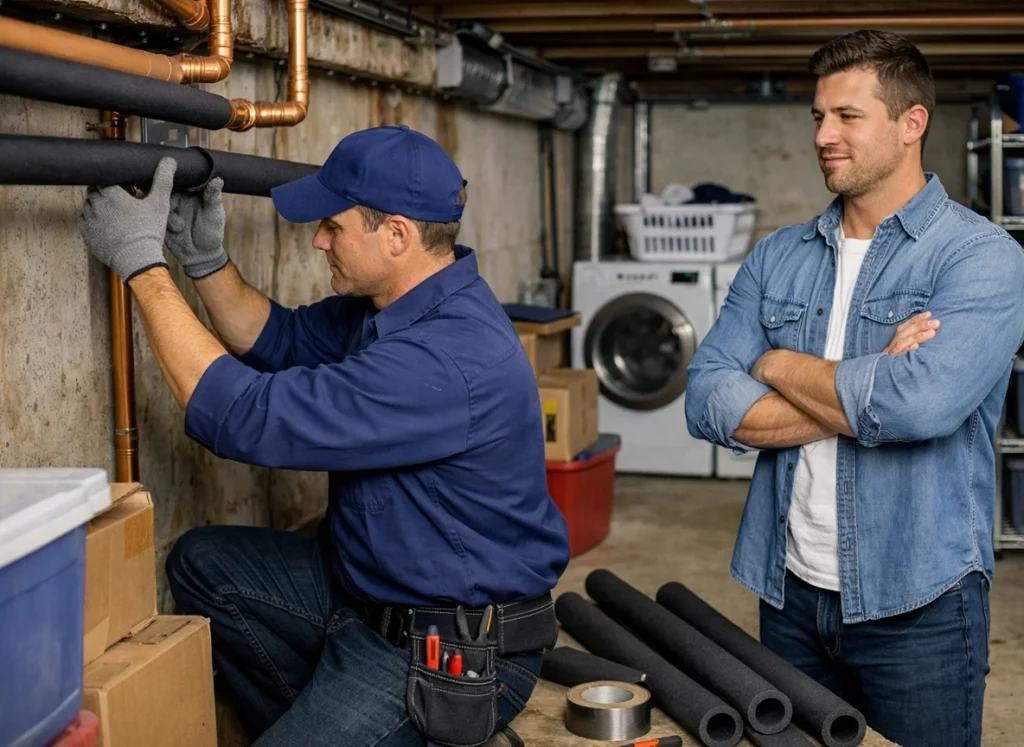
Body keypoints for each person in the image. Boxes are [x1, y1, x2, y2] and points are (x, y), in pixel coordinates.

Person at [78, 125, 571, 746]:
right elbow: (276, 339)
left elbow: (244, 416)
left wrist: (144, 265)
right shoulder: (397, 306)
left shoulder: (442, 360)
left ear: (396, 234)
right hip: (368, 595)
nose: (318, 241)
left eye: (334, 227)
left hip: (448, 652)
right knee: (204, 563)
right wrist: (205, 262)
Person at [685, 29, 1024, 747]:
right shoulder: (779, 255)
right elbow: (706, 397)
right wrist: (869, 386)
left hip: (921, 603)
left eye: (847, 116)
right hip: (790, 592)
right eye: (817, 116)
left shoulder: (982, 258)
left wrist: (773, 361)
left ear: (911, 124)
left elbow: (921, 404)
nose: (824, 136)